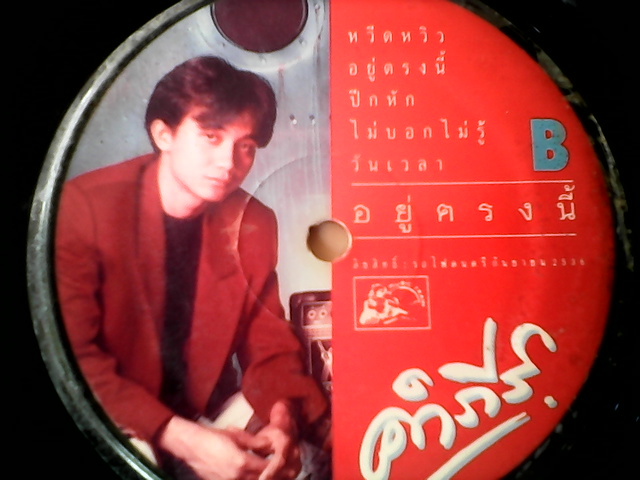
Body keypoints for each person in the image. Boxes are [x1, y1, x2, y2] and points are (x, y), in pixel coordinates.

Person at [55, 56, 329, 480]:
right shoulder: (84, 207)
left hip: (207, 413)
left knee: (303, 462)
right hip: (114, 414)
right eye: (211, 137)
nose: (228, 162)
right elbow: (72, 360)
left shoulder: (252, 221)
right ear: (163, 134)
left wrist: (282, 423)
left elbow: (269, 348)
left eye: (246, 145)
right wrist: (183, 439)